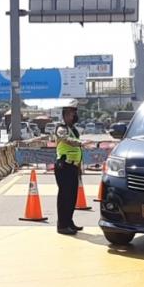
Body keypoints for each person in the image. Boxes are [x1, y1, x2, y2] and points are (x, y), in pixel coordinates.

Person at [54, 100, 84, 235]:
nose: (74, 116)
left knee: (72, 197)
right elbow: (66, 140)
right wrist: (80, 143)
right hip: (64, 166)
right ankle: (62, 225)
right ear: (66, 115)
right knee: (64, 197)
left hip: (73, 167)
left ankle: (69, 222)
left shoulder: (73, 129)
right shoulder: (61, 128)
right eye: (72, 113)